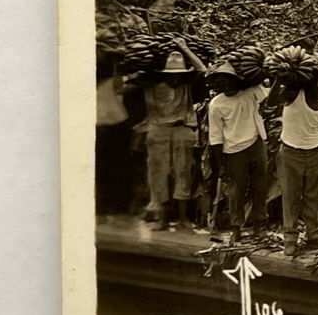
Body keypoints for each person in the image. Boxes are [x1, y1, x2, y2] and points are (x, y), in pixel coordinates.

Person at [128, 42, 207, 230]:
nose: (176, 78)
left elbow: (203, 70)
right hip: (157, 130)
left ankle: (182, 218)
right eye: (172, 75)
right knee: (158, 174)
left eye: (179, 74)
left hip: (182, 129)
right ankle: (162, 219)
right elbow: (131, 79)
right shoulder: (150, 85)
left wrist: (185, 48)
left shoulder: (186, 85)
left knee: (183, 172)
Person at [273, 67, 318, 257]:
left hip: (315, 153)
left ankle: (313, 237)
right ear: (312, 81)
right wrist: (279, 79)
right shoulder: (294, 94)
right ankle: (290, 239)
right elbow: (270, 101)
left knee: (313, 196)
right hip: (290, 153)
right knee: (290, 197)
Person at [207, 63, 270, 245]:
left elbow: (269, 97)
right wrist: (220, 166)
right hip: (233, 151)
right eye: (222, 82)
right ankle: (236, 228)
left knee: (260, 187)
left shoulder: (250, 93)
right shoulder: (216, 104)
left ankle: (260, 225)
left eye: (229, 80)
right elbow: (216, 137)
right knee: (236, 191)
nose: (226, 85)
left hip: (256, 144)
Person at [96, 51, 132, 217]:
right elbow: (122, 87)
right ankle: (118, 205)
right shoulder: (114, 81)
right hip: (116, 126)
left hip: (102, 127)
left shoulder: (95, 83)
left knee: (103, 168)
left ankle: (104, 205)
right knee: (119, 167)